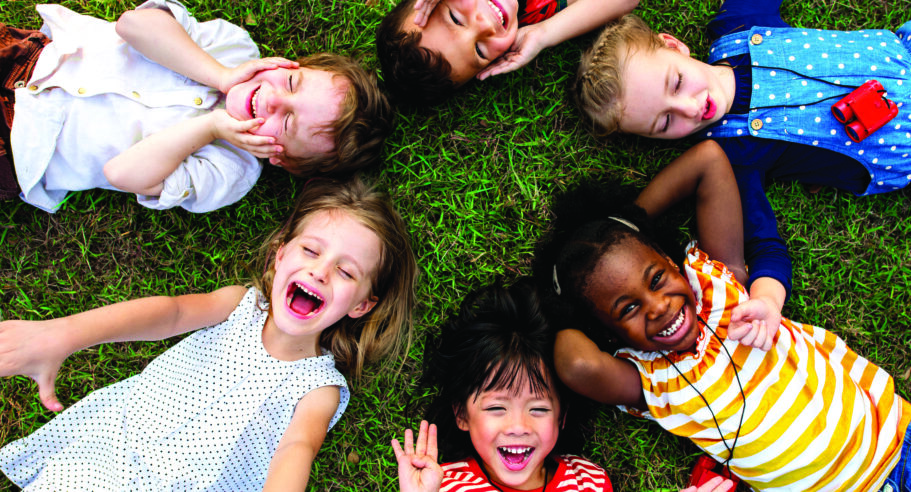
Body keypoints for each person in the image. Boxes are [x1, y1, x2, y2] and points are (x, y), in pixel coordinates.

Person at [533, 145, 911, 490]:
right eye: (628, 309)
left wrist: (627, 226)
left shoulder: (721, 288)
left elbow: (709, 161)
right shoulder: (652, 383)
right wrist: (558, 305)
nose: (659, 306)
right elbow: (577, 363)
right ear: (608, 333)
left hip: (898, 436)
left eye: (657, 278)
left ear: (671, 263)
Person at [0, 178, 417, 490]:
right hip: (108, 448)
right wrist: (63, 334)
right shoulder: (239, 306)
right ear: (280, 253)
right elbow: (170, 312)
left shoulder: (318, 388)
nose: (320, 271)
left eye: (346, 272)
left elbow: (297, 450)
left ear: (362, 305)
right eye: (311, 250)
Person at [573, 1, 911, 302]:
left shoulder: (738, 24)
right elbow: (764, 244)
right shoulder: (732, 159)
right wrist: (766, 300)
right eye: (665, 122)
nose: (689, 108)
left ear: (674, 46)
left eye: (676, 83)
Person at [0, 0, 392, 213]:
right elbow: (132, 25)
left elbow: (120, 172)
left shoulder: (230, 171)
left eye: (286, 122)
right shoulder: (232, 47)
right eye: (291, 82)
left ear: (282, 159)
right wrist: (220, 76)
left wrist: (211, 128)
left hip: (21, 149)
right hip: (30, 58)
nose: (273, 98)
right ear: (289, 62)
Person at [391, 281, 734, 492]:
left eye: (538, 409)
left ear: (562, 417)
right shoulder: (443, 485)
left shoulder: (587, 481)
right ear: (461, 415)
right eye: (497, 407)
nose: (517, 427)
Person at [375, 0, 637, 105]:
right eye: (479, 50)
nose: (485, 26)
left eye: (455, 18)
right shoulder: (537, 12)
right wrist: (545, 33)